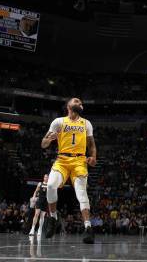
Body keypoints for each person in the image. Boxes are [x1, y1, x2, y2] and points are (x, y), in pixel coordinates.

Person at [41, 97, 97, 244]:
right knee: (51, 186)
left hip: (79, 161)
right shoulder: (58, 121)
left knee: (81, 193)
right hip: (62, 160)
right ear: (69, 106)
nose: (79, 103)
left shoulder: (86, 123)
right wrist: (50, 139)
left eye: (80, 102)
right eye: (76, 101)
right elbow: (43, 144)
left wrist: (93, 157)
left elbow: (92, 145)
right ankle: (53, 218)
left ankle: (88, 228)